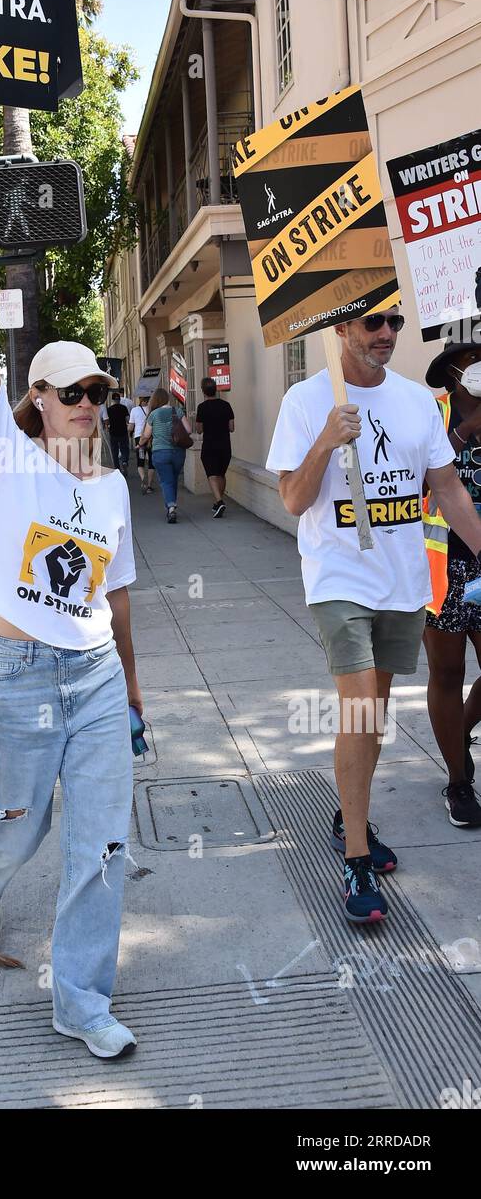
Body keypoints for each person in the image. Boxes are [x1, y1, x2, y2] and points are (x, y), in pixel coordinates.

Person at [0, 187, 143, 1062]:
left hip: (95, 677)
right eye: (72, 392)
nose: (88, 404)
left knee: (101, 844)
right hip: (23, 680)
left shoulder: (109, 491)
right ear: (38, 398)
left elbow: (119, 595)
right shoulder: (10, 457)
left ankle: (80, 1000)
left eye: (97, 393)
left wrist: (134, 695)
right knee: (18, 826)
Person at [266, 309, 481, 925]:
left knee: (375, 713)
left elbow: (447, 489)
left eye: (392, 321)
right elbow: (292, 499)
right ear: (340, 329)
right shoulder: (307, 402)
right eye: (370, 323)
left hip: (402, 582)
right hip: (339, 579)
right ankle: (356, 858)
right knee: (359, 705)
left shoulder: (416, 403)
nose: (385, 333)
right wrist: (326, 442)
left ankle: (347, 813)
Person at [423, 339, 481, 828]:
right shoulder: (432, 413)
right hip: (445, 567)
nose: (480, 366)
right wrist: (466, 431)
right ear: (451, 374)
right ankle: (459, 783)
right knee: (447, 673)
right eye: (472, 361)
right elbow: (415, 483)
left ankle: (457, 732)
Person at [138, 386, 193, 523]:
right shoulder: (178, 411)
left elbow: (146, 435)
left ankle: (171, 508)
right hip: (178, 452)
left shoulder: (154, 414)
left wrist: (140, 444)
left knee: (166, 481)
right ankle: (171, 505)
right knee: (172, 479)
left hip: (160, 452)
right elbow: (189, 430)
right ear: (167, 398)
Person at [195, 376, 234, 517]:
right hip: (225, 445)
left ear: (203, 391)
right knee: (221, 474)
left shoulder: (202, 407)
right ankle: (219, 502)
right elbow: (232, 427)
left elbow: (199, 430)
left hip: (210, 445)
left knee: (212, 474)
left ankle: (219, 501)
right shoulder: (226, 405)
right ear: (215, 390)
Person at [129, 395, 154, 495]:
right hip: (151, 438)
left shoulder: (134, 410)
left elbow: (131, 427)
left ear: (140, 399)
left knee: (140, 461)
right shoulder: (152, 410)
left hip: (139, 438)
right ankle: (149, 486)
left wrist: (130, 430)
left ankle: (143, 479)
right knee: (152, 462)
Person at [105, 390, 130, 474]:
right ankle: (124, 461)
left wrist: (107, 427)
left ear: (112, 400)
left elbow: (107, 421)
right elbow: (127, 419)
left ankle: (117, 469)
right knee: (124, 448)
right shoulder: (124, 408)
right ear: (119, 399)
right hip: (123, 431)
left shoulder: (109, 409)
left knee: (114, 451)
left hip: (113, 433)